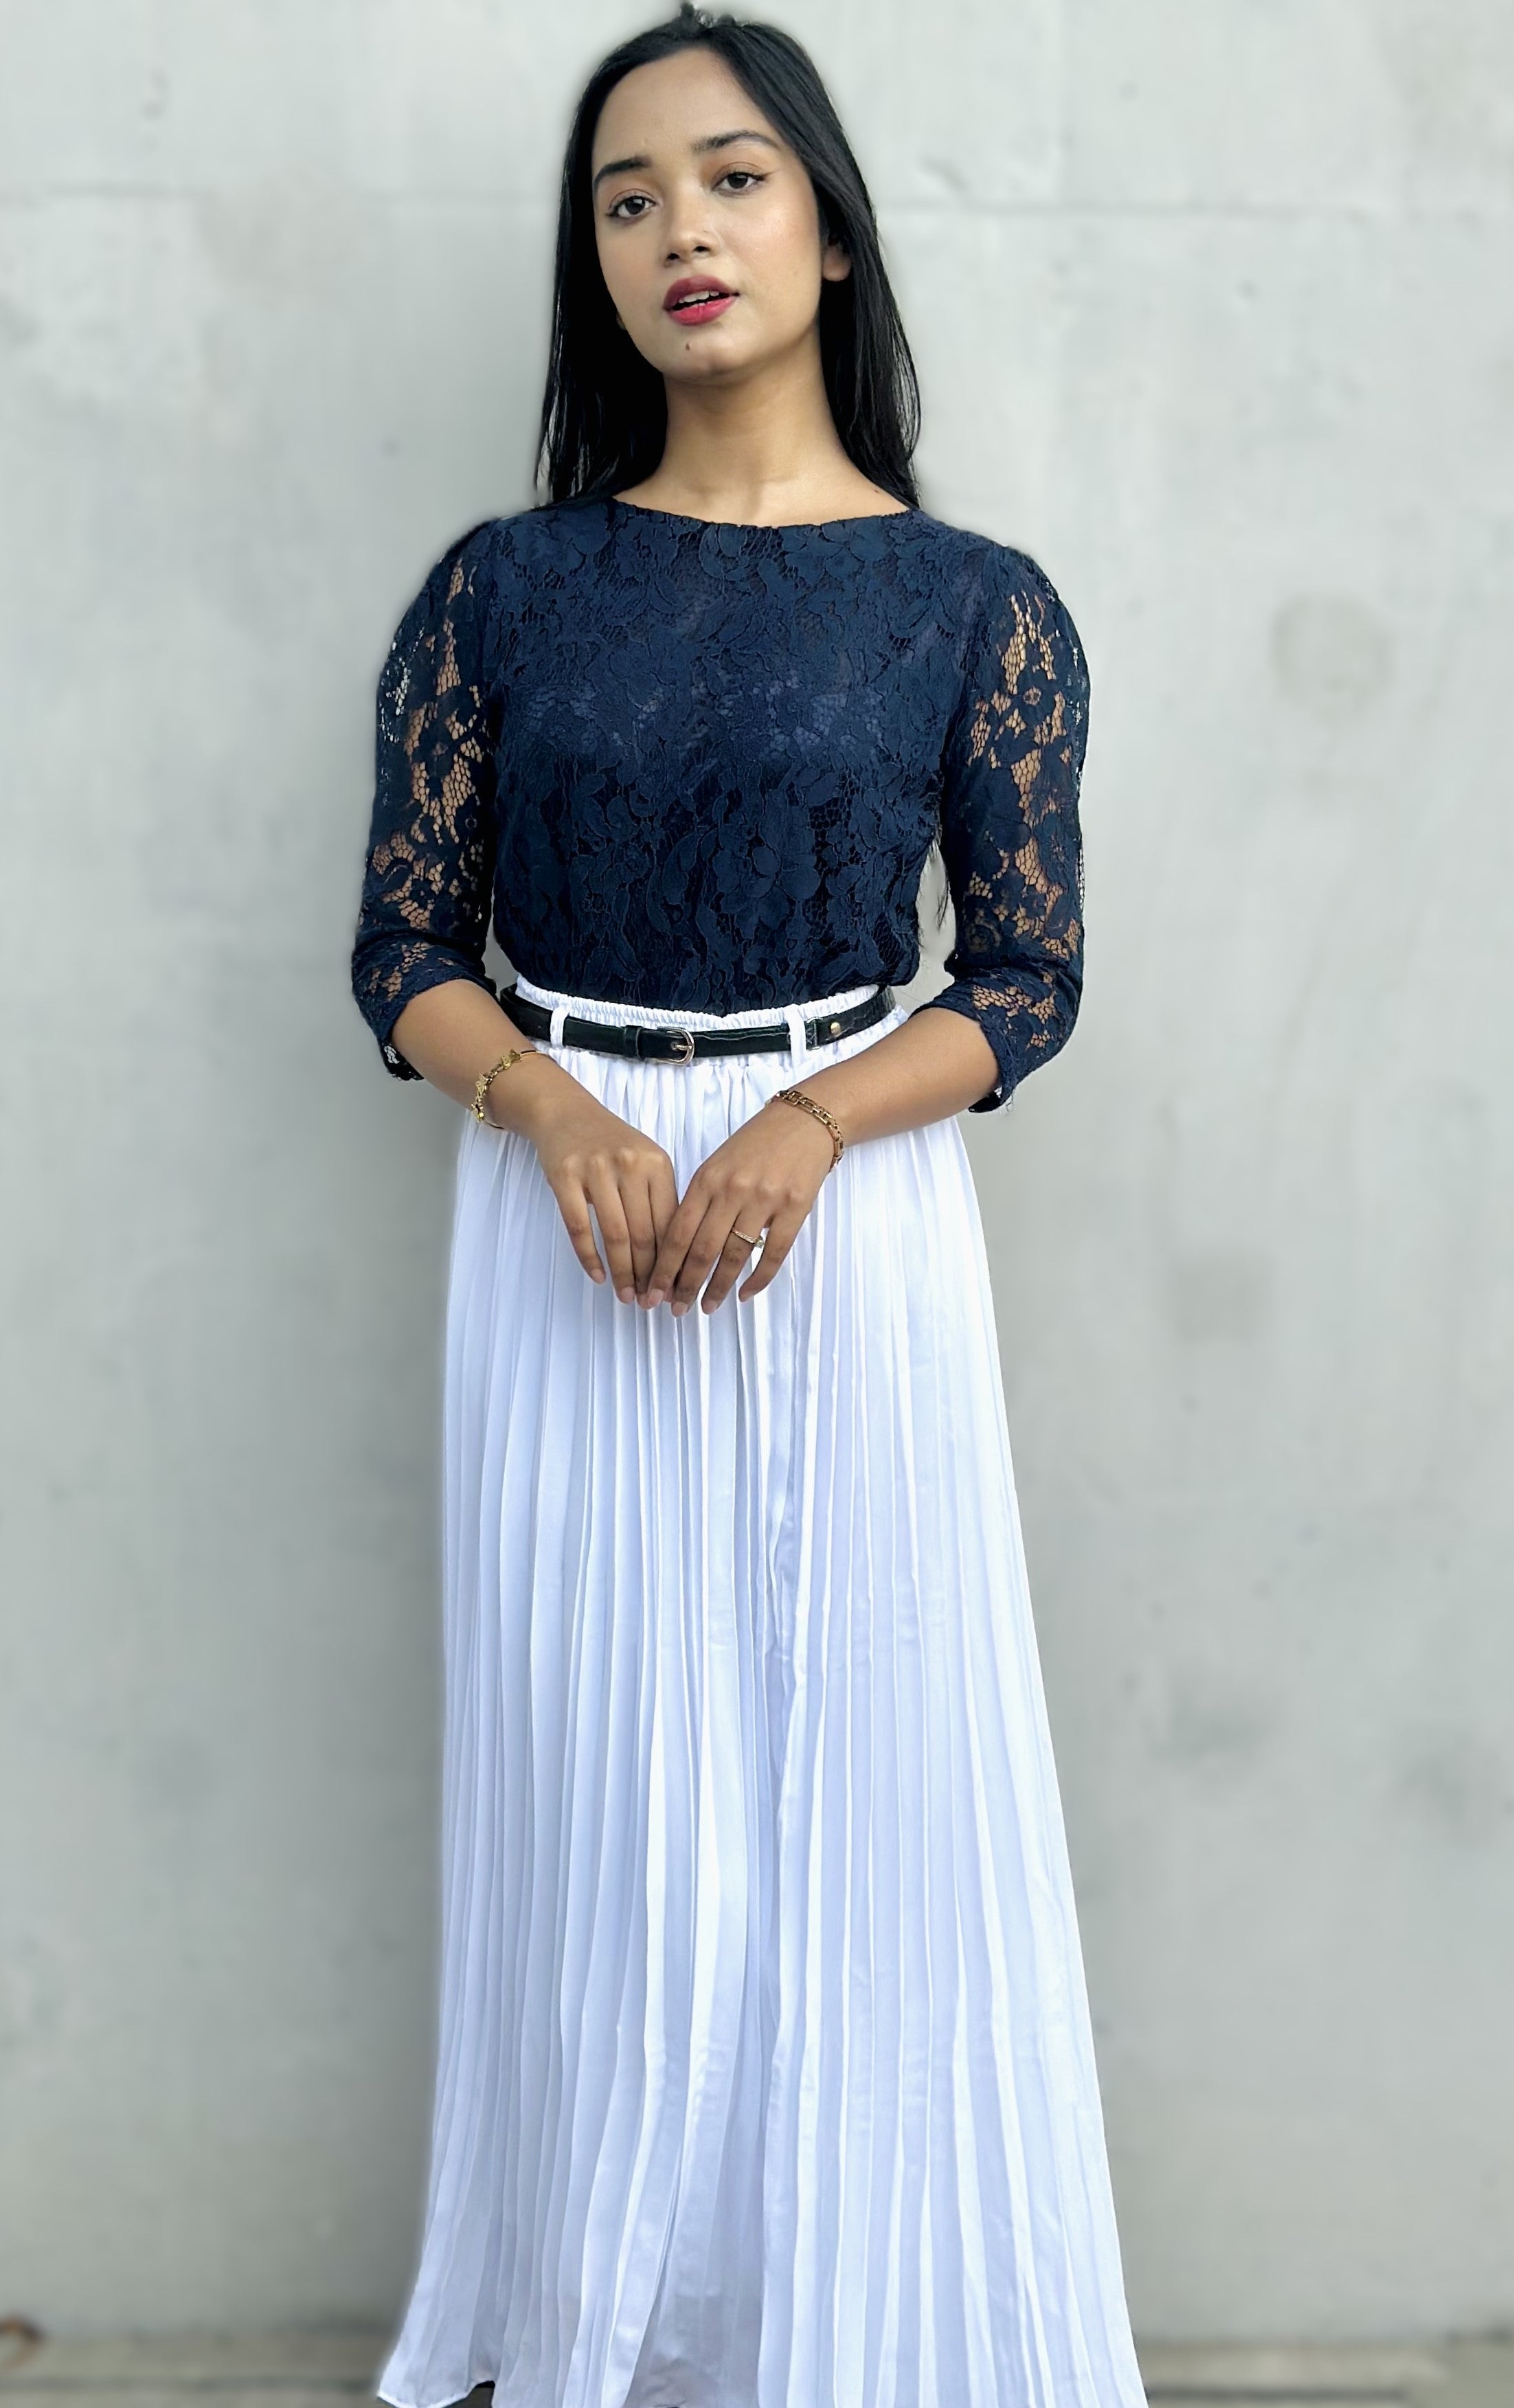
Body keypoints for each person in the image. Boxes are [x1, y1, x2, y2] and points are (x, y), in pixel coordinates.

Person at [351, 10, 1146, 2406]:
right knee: (599, 1804)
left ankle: (871, 2328)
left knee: (864, 1794)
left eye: (728, 178)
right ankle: (606, 2329)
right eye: (625, 198)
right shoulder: (503, 587)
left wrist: (802, 1127)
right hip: (566, 1239)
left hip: (854, 1235)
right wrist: (549, 1109)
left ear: (824, 218)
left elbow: (1026, 981)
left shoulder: (977, 603)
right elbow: (403, 953)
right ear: (591, 263)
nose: (679, 231)